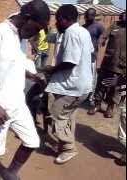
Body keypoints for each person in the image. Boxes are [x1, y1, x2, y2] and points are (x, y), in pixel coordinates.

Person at [0, 0, 50, 179]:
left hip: (16, 103)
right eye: (37, 29)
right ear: (27, 19)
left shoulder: (20, 37)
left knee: (32, 141)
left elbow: (13, 66)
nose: (36, 34)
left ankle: (9, 172)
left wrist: (32, 76)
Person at [43, 5, 94, 164]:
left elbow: (70, 62)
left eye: (58, 19)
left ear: (65, 19)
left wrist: (52, 69)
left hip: (71, 86)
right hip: (81, 84)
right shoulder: (83, 31)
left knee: (57, 114)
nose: (56, 23)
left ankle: (69, 148)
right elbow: (90, 52)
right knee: (68, 115)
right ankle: (63, 144)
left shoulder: (71, 33)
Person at [88, 12, 126, 118]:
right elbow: (104, 36)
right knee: (101, 84)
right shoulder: (115, 25)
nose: (123, 17)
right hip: (108, 61)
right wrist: (101, 40)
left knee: (115, 87)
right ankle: (97, 105)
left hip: (121, 65)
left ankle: (110, 107)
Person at [82, 8, 105, 105]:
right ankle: (83, 95)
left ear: (94, 16)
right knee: (83, 76)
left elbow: (104, 37)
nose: (88, 17)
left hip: (92, 56)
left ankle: (91, 97)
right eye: (87, 15)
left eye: (91, 15)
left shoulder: (98, 26)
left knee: (92, 77)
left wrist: (100, 43)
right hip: (83, 56)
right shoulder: (83, 27)